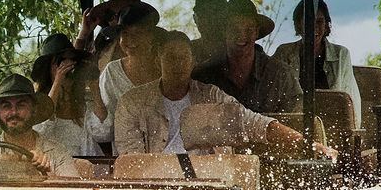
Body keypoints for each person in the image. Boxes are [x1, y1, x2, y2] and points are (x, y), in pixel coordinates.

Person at [114, 32, 332, 159]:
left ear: (193, 62)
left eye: (184, 57)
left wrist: (313, 146)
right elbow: (134, 164)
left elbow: (254, 123)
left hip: (211, 189)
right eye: (170, 57)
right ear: (157, 62)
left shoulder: (212, 96)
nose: (177, 64)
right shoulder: (132, 103)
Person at [194, 0, 300, 115]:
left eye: (248, 30)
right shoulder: (205, 75)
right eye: (234, 29)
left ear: (256, 32)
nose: (241, 35)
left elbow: (296, 122)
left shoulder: (281, 75)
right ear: (224, 31)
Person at [0, 74, 86, 176]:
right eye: (6, 106)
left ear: (34, 109)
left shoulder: (56, 151)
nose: (13, 112)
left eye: (21, 105)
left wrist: (46, 172)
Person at [273, 0, 363, 126]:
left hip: (331, 126)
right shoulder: (283, 53)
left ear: (326, 26)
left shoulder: (341, 55)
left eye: (319, 21)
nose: (314, 27)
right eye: (308, 21)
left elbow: (350, 102)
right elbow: (272, 99)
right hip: (293, 127)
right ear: (298, 25)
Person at [190, 0, 230, 66]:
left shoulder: (240, 49)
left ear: (226, 18)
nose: (211, 20)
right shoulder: (188, 49)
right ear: (195, 18)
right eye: (204, 15)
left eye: (216, 13)